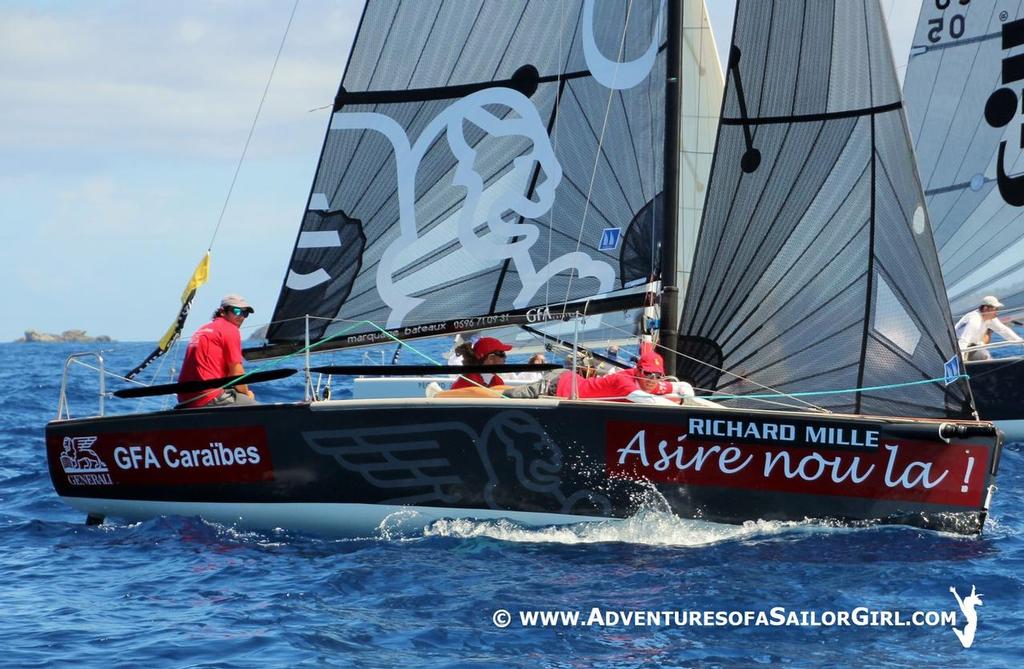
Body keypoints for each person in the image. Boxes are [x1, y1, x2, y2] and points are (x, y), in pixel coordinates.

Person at [501, 347, 693, 405]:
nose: (652, 379)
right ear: (638, 370)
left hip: (571, 381)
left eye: (657, 376)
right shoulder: (624, 381)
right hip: (558, 385)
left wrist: (684, 394)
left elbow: (682, 387)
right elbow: (649, 401)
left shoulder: (652, 383)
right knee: (505, 398)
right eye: (648, 373)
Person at [176, 294, 257, 408]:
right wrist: (247, 394)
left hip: (184, 398)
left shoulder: (203, 329)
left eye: (245, 313)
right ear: (222, 311)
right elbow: (236, 372)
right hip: (207, 397)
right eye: (237, 311)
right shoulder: (230, 329)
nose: (241, 317)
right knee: (258, 408)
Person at [954, 295, 1022, 361]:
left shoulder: (990, 319)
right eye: (995, 309)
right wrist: (960, 361)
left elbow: (1004, 331)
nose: (997, 312)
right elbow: (963, 340)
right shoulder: (974, 320)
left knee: (985, 355)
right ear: (985, 308)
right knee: (981, 355)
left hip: (972, 345)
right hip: (957, 347)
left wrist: (1021, 342)